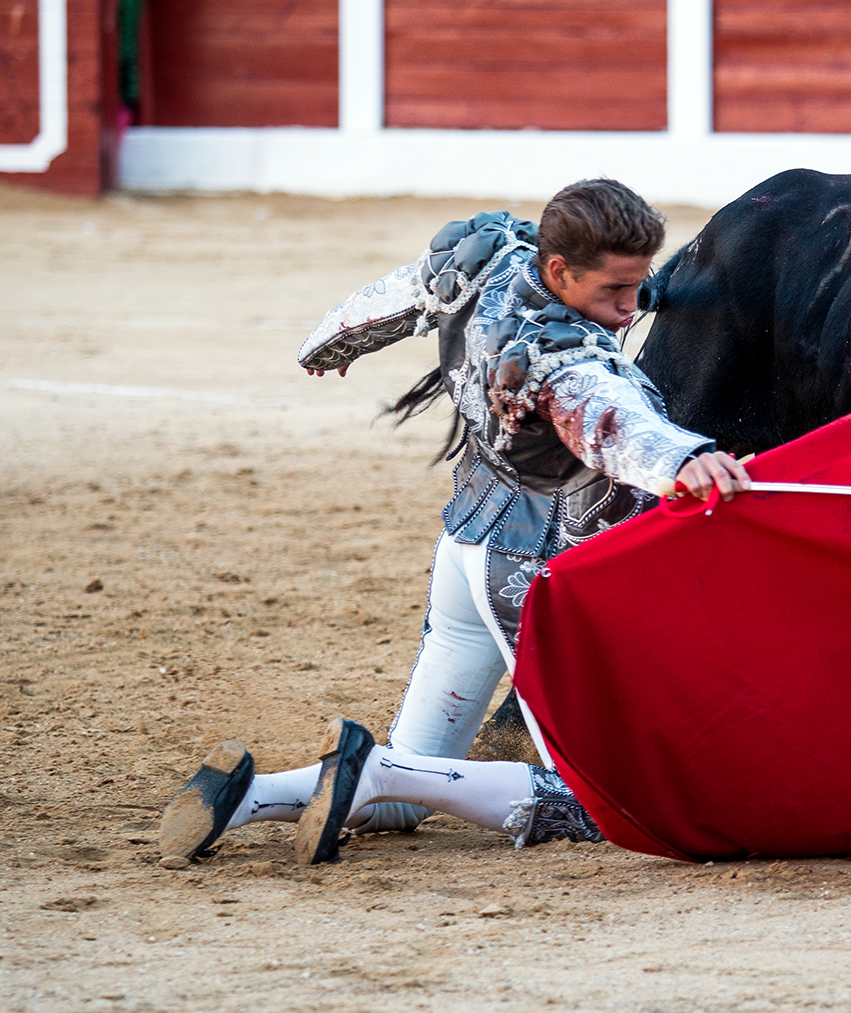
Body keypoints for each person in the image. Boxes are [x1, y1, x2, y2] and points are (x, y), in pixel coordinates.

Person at [158, 180, 750, 868]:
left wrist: (329, 343)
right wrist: (687, 460)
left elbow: (400, 293)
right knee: (602, 801)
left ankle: (242, 796)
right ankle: (380, 770)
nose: (629, 309)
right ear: (559, 270)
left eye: (637, 286)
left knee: (415, 785)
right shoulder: (566, 358)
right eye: (613, 291)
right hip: (533, 576)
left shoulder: (491, 258)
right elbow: (609, 421)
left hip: (468, 545)